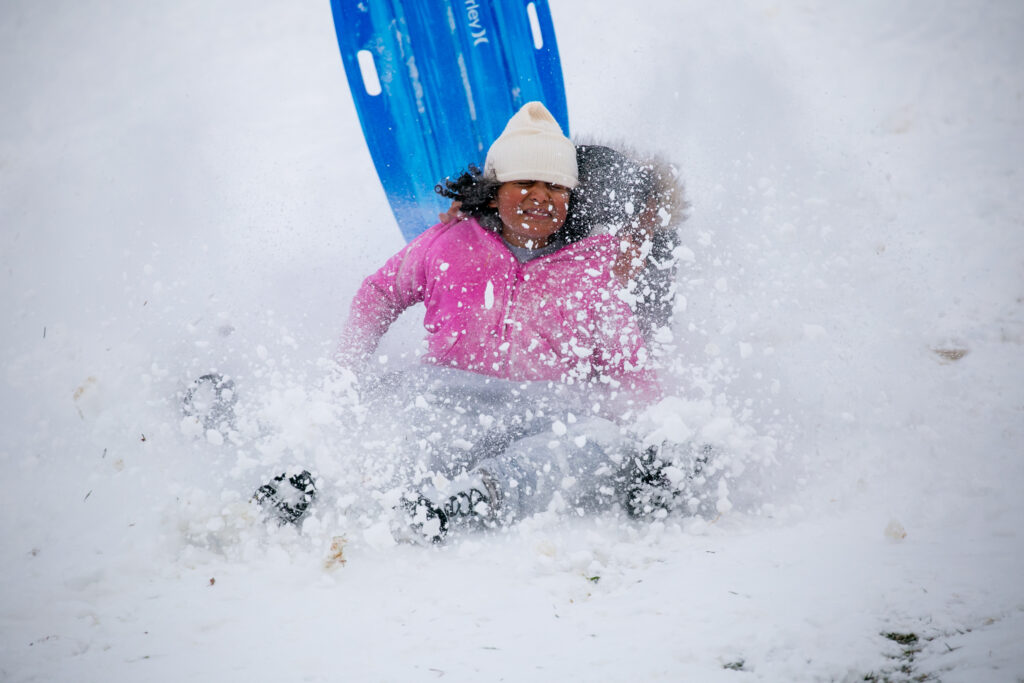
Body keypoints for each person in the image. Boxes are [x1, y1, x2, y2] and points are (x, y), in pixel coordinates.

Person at [336, 102, 666, 543]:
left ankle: (479, 496)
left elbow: (628, 367)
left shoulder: (590, 270)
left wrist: (656, 434)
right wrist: (345, 366)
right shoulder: (450, 243)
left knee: (599, 440)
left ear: (572, 199)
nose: (540, 196)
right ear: (493, 193)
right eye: (524, 182)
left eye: (556, 187)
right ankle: (322, 483)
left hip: (546, 413)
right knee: (402, 443)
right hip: (448, 400)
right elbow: (380, 292)